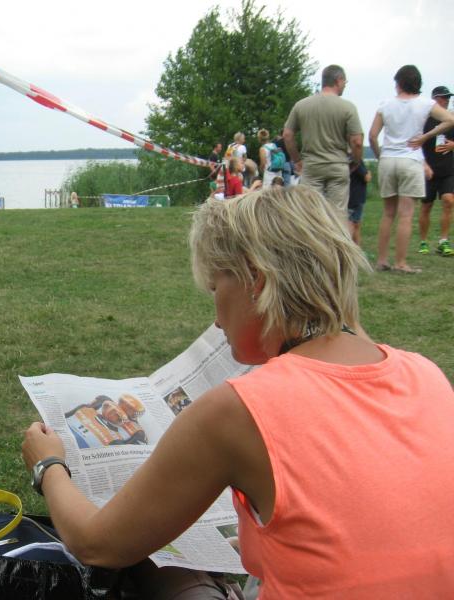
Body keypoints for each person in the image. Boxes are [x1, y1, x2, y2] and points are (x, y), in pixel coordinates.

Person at [23, 185, 454, 599]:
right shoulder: (425, 373)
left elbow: (98, 545)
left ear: (256, 281)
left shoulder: (239, 409)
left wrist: (49, 465)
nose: (216, 318)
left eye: (216, 288)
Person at [369, 66, 454, 273]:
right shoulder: (425, 103)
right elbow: (450, 120)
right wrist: (425, 137)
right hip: (410, 159)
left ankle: (381, 260)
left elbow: (372, 136)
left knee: (388, 213)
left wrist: (381, 156)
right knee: (406, 215)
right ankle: (400, 263)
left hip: (388, 159)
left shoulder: (385, 104)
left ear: (398, 83)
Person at [282, 65, 364, 223]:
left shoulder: (301, 105)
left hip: (311, 166)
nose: (345, 85)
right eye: (345, 82)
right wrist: (356, 161)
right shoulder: (348, 107)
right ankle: (337, 239)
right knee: (338, 216)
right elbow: (357, 142)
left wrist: (297, 160)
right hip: (338, 166)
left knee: (310, 215)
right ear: (338, 80)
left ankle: (311, 239)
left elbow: (287, 135)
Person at [418, 85, 454, 257]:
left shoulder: (451, 119)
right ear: (434, 99)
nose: (447, 100)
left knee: (448, 201)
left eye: (448, 97)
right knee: (426, 206)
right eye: (443, 97)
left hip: (448, 170)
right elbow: (416, 144)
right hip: (429, 170)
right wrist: (423, 164)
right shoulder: (424, 120)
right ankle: (423, 242)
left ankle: (443, 241)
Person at [347, 159, 371, 246]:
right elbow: (367, 178)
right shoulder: (356, 160)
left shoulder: (344, 159)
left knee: (353, 224)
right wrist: (369, 172)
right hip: (356, 198)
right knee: (354, 225)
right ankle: (351, 248)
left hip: (347, 196)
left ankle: (356, 249)